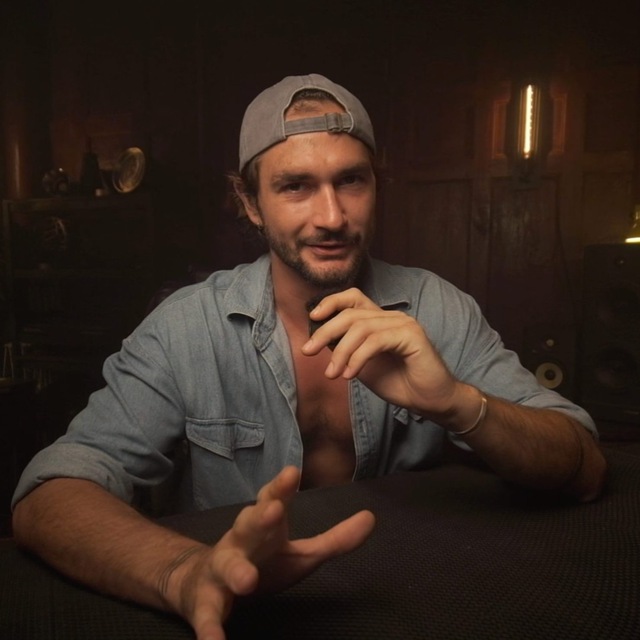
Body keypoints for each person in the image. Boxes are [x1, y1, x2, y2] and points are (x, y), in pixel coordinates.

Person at [12, 74, 607, 640]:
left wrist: (458, 403)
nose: (331, 217)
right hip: (247, 616)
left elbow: (582, 465)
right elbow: (50, 495)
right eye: (295, 186)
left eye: (351, 180)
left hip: (404, 603)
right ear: (249, 202)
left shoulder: (437, 309)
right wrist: (184, 573)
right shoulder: (186, 328)